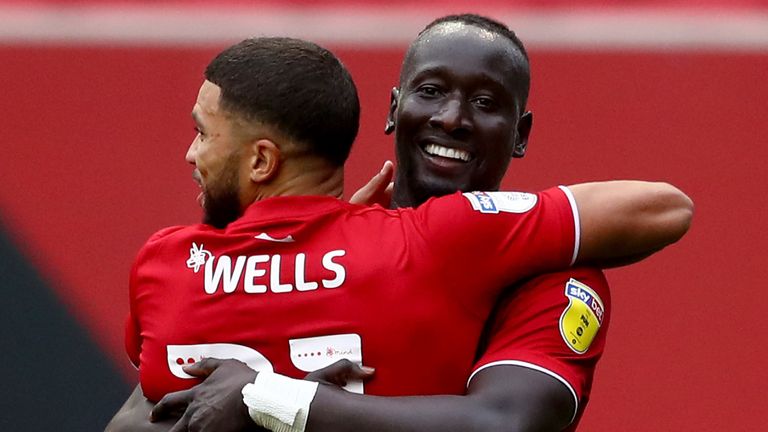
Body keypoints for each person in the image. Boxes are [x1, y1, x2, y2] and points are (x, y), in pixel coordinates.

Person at [106, 24, 692, 432]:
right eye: (431, 91)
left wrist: (273, 395)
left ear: (521, 133)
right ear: (393, 109)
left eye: (487, 103)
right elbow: (150, 409)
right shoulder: (328, 248)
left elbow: (505, 425)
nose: (452, 119)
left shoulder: (552, 277)